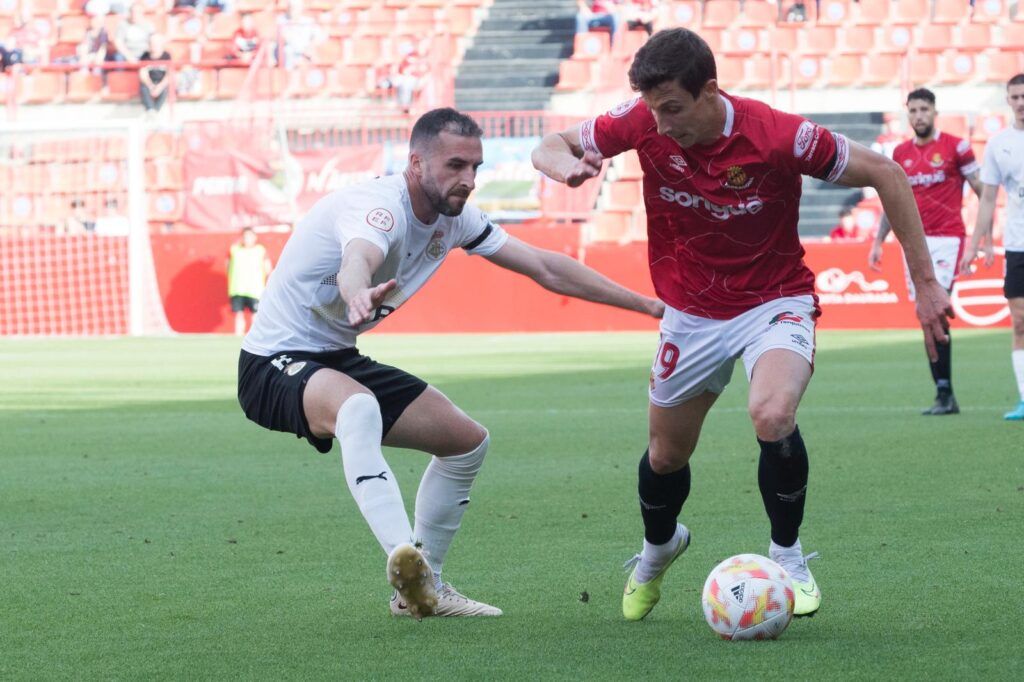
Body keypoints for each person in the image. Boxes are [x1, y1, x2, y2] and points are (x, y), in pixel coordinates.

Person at [531, 28, 951, 623]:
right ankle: (658, 550)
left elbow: (886, 173)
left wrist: (927, 283)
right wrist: (566, 168)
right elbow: (548, 144)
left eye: (673, 108)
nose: (662, 122)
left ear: (710, 91)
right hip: (692, 310)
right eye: (654, 109)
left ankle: (789, 556)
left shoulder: (778, 134)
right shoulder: (643, 120)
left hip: (773, 300)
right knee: (665, 455)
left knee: (772, 413)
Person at [236, 108, 664, 619]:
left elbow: (547, 267)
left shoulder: (457, 219)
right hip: (270, 364)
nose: (468, 179)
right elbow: (358, 259)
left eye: (476, 167)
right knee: (359, 408)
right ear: (416, 163)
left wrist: (650, 306)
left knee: (465, 443)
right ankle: (402, 554)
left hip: (335, 357)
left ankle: (421, 590)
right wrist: (356, 295)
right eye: (455, 165)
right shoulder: (379, 208)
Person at [869, 88, 983, 416]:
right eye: (913, 110)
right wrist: (879, 241)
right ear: (908, 115)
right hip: (913, 243)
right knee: (925, 316)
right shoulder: (899, 153)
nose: (919, 115)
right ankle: (943, 392)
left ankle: (945, 392)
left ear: (935, 112)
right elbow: (893, 201)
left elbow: (980, 191)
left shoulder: (956, 147)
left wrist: (983, 237)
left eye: (924, 109)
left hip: (947, 238)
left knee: (935, 308)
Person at [961, 73, 1024, 421]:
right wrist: (975, 245)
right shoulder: (999, 144)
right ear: (1008, 100)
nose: (1021, 102)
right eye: (1015, 97)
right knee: (1019, 323)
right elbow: (987, 199)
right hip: (1017, 245)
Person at [228, 227, 273, 336]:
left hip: (255, 290)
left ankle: (254, 338)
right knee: (239, 314)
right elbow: (228, 267)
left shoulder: (260, 250)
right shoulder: (234, 250)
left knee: (255, 315)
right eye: (245, 236)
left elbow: (268, 269)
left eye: (249, 236)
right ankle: (237, 337)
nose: (247, 238)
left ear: (254, 237)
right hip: (238, 289)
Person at [138, 33, 171, 116]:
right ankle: (150, 110)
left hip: (162, 83)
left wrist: (160, 87)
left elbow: (169, 75)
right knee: (143, 87)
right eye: (151, 43)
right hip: (149, 83)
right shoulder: (144, 56)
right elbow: (142, 73)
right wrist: (151, 86)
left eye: (156, 43)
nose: (154, 45)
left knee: (166, 88)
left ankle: (155, 112)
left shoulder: (167, 56)